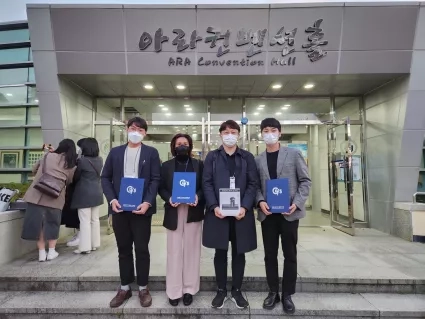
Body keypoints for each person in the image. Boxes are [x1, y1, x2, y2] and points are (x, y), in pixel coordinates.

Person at [101, 117, 161, 308]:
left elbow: (155, 179)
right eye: (133, 128)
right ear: (127, 129)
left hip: (141, 210)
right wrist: (112, 200)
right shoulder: (116, 152)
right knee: (123, 249)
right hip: (120, 208)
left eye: (140, 129)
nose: (136, 132)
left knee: (142, 249)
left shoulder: (151, 153)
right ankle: (125, 287)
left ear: (145, 133)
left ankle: (143, 287)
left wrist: (147, 202)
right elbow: (105, 177)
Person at [255, 118, 311, 314]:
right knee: (269, 256)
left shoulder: (294, 154)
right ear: (261, 134)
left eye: (273, 130)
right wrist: (260, 201)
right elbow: (255, 186)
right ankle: (273, 292)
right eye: (265, 130)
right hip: (268, 215)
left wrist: (296, 203)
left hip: (289, 214)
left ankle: (287, 294)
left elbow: (305, 181)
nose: (269, 133)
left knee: (290, 255)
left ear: (280, 132)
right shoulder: (258, 159)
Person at [202, 120, 259, 310]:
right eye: (226, 132)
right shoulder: (212, 157)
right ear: (220, 135)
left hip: (241, 213)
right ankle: (220, 290)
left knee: (239, 252)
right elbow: (207, 183)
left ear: (239, 135)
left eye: (233, 132)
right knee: (220, 252)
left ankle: (236, 290)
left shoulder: (247, 157)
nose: (229, 135)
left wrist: (245, 206)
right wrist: (213, 205)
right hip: (218, 212)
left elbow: (253, 184)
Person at [159, 133, 205, 307]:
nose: (182, 146)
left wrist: (197, 197)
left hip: (193, 210)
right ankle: (174, 291)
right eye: (179, 143)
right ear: (173, 146)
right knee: (174, 251)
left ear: (190, 146)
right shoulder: (166, 166)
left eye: (185, 143)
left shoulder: (198, 165)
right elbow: (160, 187)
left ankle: (189, 289)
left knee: (192, 251)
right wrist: (168, 198)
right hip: (174, 210)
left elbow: (204, 186)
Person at [21, 139, 77, 262]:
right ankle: (51, 252)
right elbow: (69, 181)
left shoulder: (48, 156)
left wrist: (47, 156)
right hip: (55, 197)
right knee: (52, 223)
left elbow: (34, 169)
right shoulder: (71, 164)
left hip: (37, 195)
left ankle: (41, 253)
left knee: (38, 225)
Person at [70, 138, 104, 254]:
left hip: (84, 193)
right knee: (95, 220)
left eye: (80, 147)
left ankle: (84, 247)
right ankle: (95, 244)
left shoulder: (82, 161)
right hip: (97, 192)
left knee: (84, 221)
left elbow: (75, 177)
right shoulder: (100, 160)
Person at [65, 137, 87, 247]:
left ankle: (80, 236)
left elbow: (75, 176)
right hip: (76, 190)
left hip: (78, 190)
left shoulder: (82, 160)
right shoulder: (79, 159)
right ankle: (79, 235)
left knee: (80, 216)